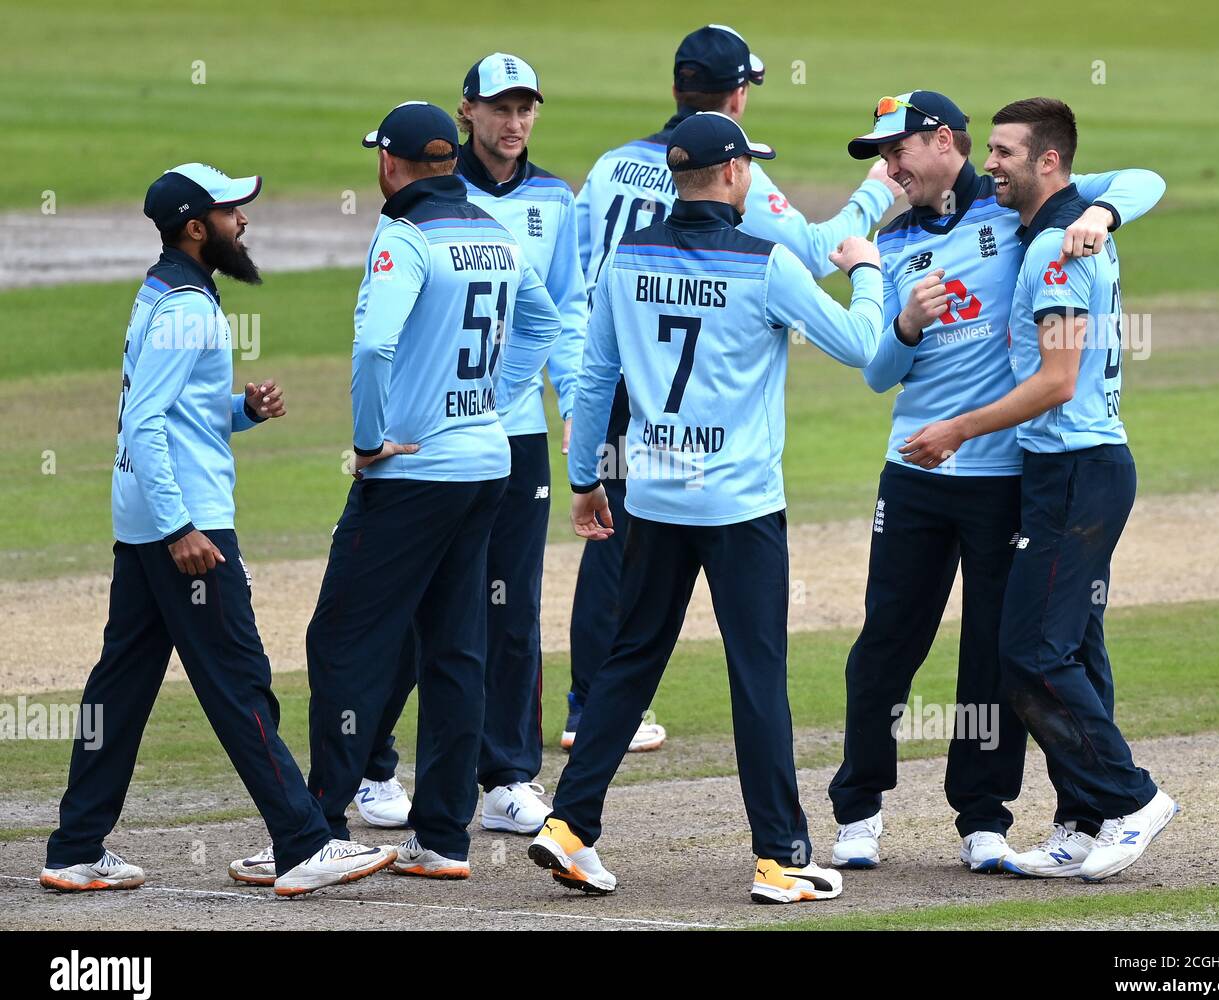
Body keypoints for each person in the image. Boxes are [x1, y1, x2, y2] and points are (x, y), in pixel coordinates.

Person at [528, 112, 885, 904]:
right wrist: (868, 268)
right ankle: (781, 855)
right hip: (739, 503)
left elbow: (595, 381)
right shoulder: (764, 265)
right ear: (729, 177)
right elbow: (863, 346)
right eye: (748, 168)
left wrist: (587, 480)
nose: (752, 176)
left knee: (629, 664)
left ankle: (568, 824)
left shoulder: (628, 260)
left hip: (651, 495)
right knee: (757, 673)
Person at [827, 91, 1167, 874]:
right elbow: (881, 373)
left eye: (896, 153)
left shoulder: (1023, 214)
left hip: (1005, 472)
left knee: (997, 651)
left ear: (942, 141)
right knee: (885, 644)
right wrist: (905, 319)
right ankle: (860, 809)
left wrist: (1105, 216)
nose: (889, 171)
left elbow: (1142, 180)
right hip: (915, 469)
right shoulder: (900, 241)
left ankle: (982, 817)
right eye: (879, 160)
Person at [229, 101, 561, 885]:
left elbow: (376, 342)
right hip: (487, 465)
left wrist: (372, 438)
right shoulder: (494, 231)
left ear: (389, 165)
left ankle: (313, 831)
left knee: (342, 642)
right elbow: (543, 327)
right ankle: (442, 838)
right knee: (456, 649)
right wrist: (492, 402)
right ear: (450, 162)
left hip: (412, 475)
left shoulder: (404, 236)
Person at [41, 163, 395, 898]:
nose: (245, 223)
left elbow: (168, 410)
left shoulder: (164, 291)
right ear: (197, 227)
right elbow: (143, 423)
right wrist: (181, 528)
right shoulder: (188, 309)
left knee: (122, 686)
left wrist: (241, 410)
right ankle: (304, 841)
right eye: (233, 212)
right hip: (187, 528)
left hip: (145, 522)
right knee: (240, 684)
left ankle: (75, 847)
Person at [562, 23, 904, 754]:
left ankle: (585, 705)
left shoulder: (611, 165)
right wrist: (872, 200)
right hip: (693, 386)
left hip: (619, 366)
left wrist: (578, 422)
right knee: (718, 597)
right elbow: (809, 253)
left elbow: (578, 271)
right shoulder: (731, 165)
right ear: (739, 93)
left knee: (611, 542)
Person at [355, 54, 587, 836]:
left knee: (510, 609)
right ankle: (373, 764)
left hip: (509, 441)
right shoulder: (427, 199)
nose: (514, 123)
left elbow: (565, 309)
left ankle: (507, 776)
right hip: (428, 446)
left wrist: (562, 402)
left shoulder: (556, 198)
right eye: (499, 108)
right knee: (417, 607)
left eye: (526, 108)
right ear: (466, 113)